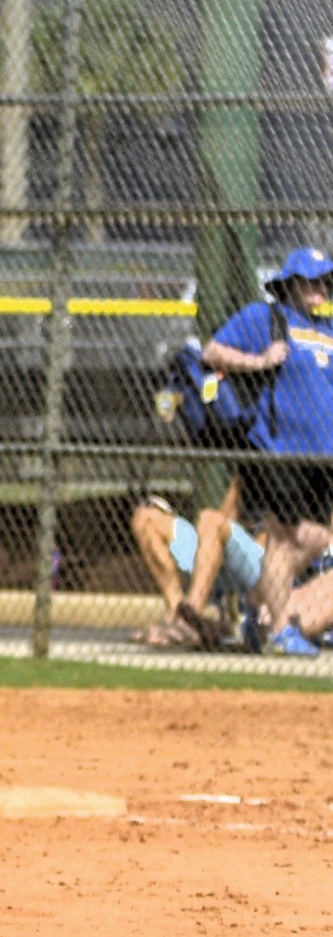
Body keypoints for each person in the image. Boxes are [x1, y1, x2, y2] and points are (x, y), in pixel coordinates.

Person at [203, 247, 333, 658]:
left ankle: (257, 604)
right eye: (311, 281)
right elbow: (212, 352)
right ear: (292, 284)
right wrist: (259, 360)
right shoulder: (268, 319)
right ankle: (279, 631)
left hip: (321, 456)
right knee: (281, 537)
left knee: (314, 538)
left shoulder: (328, 329)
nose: (319, 289)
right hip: (279, 449)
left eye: (324, 282)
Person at [126, 495, 262, 648]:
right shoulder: (243, 477)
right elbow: (228, 512)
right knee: (144, 518)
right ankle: (175, 614)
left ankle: (191, 620)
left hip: (261, 560)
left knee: (210, 519)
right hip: (222, 541)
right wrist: (216, 543)